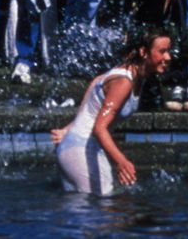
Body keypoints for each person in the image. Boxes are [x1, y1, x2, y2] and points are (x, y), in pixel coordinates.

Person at [52, 29, 173, 194]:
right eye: (162, 51)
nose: (168, 57)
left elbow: (95, 85)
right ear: (143, 52)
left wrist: (68, 129)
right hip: (80, 149)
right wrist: (122, 162)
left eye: (168, 51)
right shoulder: (124, 82)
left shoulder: (126, 75)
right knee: (105, 207)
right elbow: (99, 128)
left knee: (90, 211)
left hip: (76, 146)